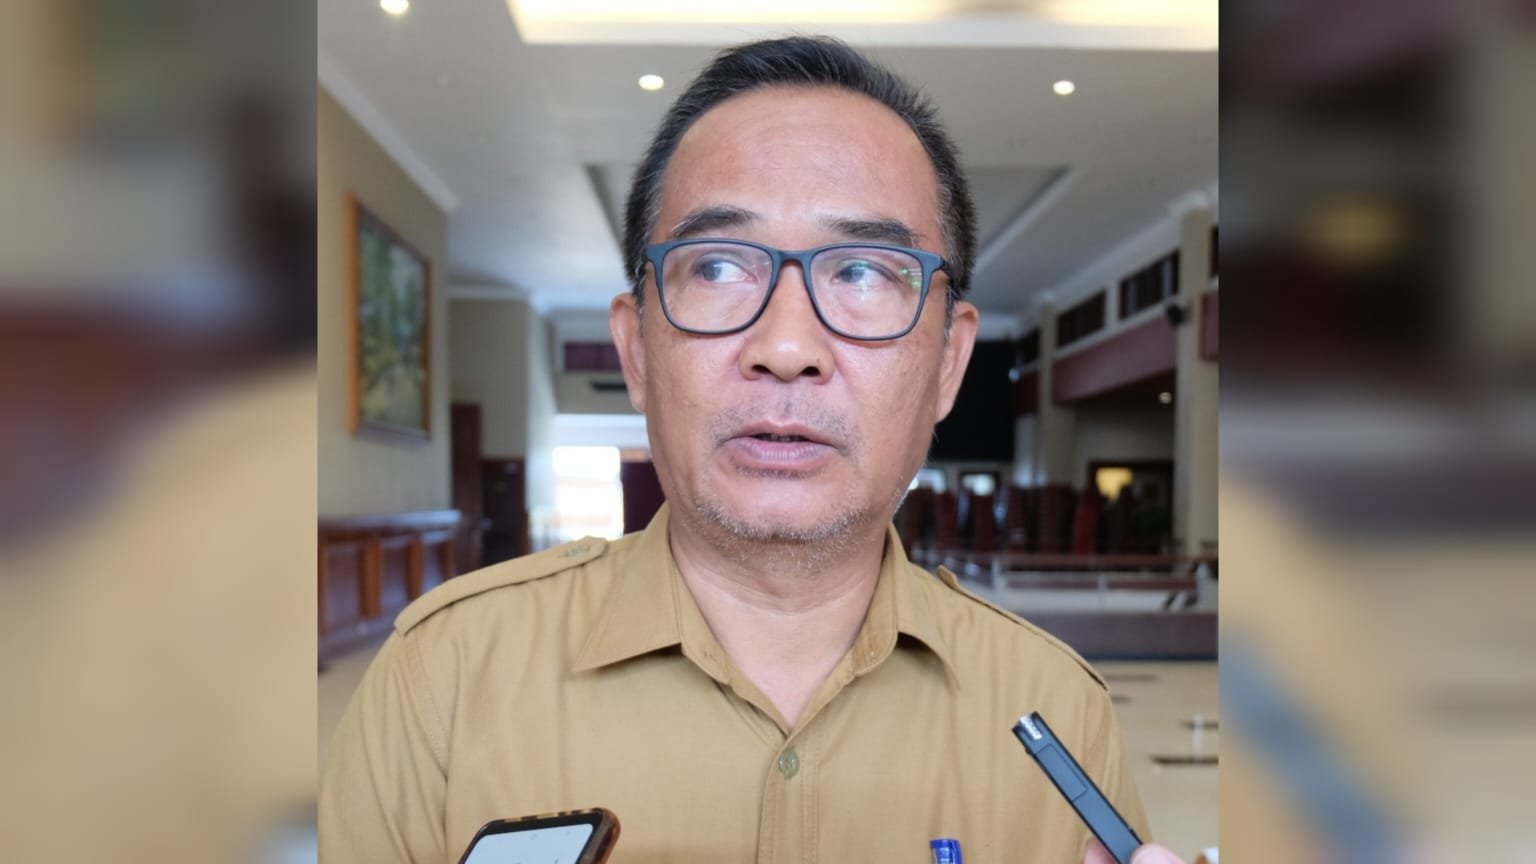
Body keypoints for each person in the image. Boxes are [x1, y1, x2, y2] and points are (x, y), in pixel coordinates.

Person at [320, 36, 1187, 864]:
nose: (786, 346)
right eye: (718, 267)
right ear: (635, 350)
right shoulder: (442, 680)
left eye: (861, 272)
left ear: (949, 364)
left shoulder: (1056, 707)